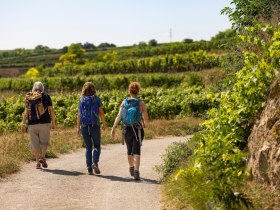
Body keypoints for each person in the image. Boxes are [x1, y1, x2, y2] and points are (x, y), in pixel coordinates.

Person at [111, 82, 148, 180]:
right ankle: (136, 171)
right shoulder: (141, 103)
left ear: (129, 91)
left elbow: (119, 116)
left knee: (129, 149)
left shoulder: (124, 102)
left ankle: (131, 167)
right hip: (137, 129)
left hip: (126, 129)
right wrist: (145, 124)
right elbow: (146, 118)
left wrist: (113, 127)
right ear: (138, 91)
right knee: (137, 150)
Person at [21, 81, 56, 169]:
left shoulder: (29, 96)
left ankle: (37, 163)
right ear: (42, 88)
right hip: (45, 122)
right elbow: (51, 110)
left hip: (32, 123)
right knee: (44, 141)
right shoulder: (46, 96)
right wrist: (53, 122)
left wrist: (23, 123)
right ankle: (43, 157)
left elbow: (26, 112)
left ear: (33, 88)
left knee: (35, 143)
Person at [77, 82, 106, 175]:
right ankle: (95, 163)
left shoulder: (81, 100)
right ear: (93, 89)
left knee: (88, 147)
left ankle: (89, 168)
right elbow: (101, 112)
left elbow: (79, 115)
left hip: (84, 125)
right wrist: (104, 123)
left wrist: (78, 127)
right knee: (97, 145)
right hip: (95, 125)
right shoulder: (97, 99)